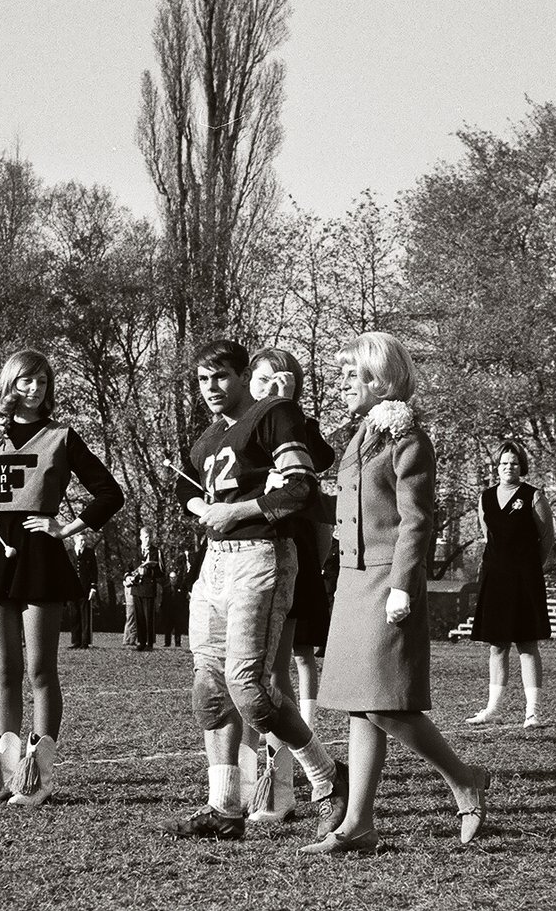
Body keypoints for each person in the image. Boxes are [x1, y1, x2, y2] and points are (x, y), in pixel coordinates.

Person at [305, 331, 489, 855]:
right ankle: (359, 824)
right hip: (352, 580)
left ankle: (464, 778)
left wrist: (403, 585)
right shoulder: (362, 435)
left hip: (387, 582)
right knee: (360, 706)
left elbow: (416, 520)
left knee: (385, 704)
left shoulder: (407, 438)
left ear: (380, 380)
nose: (342, 384)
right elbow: (356, 507)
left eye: (351, 375)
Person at [163, 338, 345, 843]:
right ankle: (225, 807)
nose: (211, 387)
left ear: (244, 376)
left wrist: (235, 511)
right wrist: (203, 509)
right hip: (215, 563)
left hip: (262, 555)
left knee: (251, 691)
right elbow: (185, 485)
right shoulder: (209, 436)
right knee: (209, 691)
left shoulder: (273, 414)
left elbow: (301, 487)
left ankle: (331, 778)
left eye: (221, 376)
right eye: (203, 380)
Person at [0, 349, 125, 808]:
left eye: (43, 382)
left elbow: (110, 493)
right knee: (4, 669)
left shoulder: (61, 436)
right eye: (26, 381)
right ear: (10, 384)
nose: (35, 389)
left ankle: (38, 773)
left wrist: (65, 528)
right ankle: (2, 769)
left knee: (40, 669)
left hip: (40, 556)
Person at [243, 346, 339, 825]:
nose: (269, 388)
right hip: (240, 551)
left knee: (274, 675)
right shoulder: (239, 427)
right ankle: (241, 783)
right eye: (262, 380)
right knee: (235, 677)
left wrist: (289, 408)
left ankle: (278, 786)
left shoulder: (299, 428)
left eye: (281, 380)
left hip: (287, 554)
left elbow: (321, 459)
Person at [467, 439, 556, 728]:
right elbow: (488, 536)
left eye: (514, 463)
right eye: (504, 463)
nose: (509, 467)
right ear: (497, 466)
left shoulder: (533, 495)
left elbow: (547, 538)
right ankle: (493, 709)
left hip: (525, 580)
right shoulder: (485, 497)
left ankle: (533, 712)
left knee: (527, 645)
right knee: (497, 646)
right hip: (495, 579)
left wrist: (529, 567)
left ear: (522, 466)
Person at [131, 535, 160, 651]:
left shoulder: (156, 552)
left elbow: (161, 571)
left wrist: (148, 571)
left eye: (149, 537)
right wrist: (127, 577)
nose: (147, 540)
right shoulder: (135, 551)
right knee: (139, 616)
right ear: (141, 537)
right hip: (137, 588)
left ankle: (149, 642)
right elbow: (129, 567)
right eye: (145, 537)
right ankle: (141, 641)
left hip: (148, 589)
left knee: (149, 617)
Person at [68, 533, 96, 649]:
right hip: (71, 588)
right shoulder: (69, 553)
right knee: (73, 614)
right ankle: (76, 641)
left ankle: (85, 642)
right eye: (81, 540)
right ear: (75, 540)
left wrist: (93, 588)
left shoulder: (90, 553)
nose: (83, 542)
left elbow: (94, 571)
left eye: (84, 540)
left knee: (85, 615)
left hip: (85, 588)